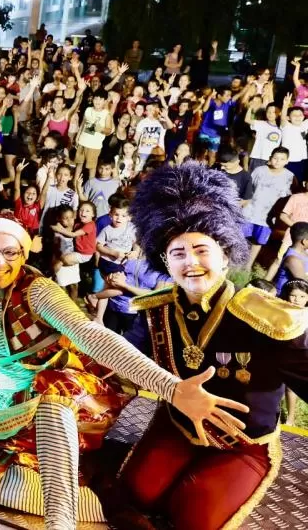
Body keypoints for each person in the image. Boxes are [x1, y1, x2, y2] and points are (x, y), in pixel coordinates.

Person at [0, 214, 239, 529]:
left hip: (65, 398)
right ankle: (79, 498)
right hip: (1, 402)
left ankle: (61, 520)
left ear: (24, 254)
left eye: (10, 252)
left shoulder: (38, 291)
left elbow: (93, 335)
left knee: (53, 390)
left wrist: (171, 388)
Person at [91, 162, 308, 530]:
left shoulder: (270, 319)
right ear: (165, 261)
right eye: (178, 253)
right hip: (175, 427)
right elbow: (123, 365)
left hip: (242, 444)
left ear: (224, 255)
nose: (190, 262)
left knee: (194, 517)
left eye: (201, 250)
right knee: (135, 495)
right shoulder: (156, 311)